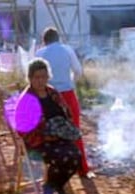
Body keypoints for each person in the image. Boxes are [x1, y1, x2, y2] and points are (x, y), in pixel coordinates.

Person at [15, 57, 81, 194]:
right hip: (36, 142)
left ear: (48, 77)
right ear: (30, 78)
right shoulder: (26, 99)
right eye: (37, 77)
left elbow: (66, 112)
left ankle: (53, 185)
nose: (40, 80)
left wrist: (65, 129)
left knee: (76, 156)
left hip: (57, 138)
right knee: (63, 157)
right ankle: (55, 187)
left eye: (44, 77)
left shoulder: (52, 93)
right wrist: (46, 135)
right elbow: (23, 130)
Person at [36, 26, 93, 178]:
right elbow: (78, 71)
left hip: (48, 97)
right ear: (58, 39)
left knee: (51, 132)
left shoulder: (40, 53)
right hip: (67, 95)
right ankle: (83, 170)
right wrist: (70, 81)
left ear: (44, 41)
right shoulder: (67, 50)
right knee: (74, 130)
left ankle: (54, 170)